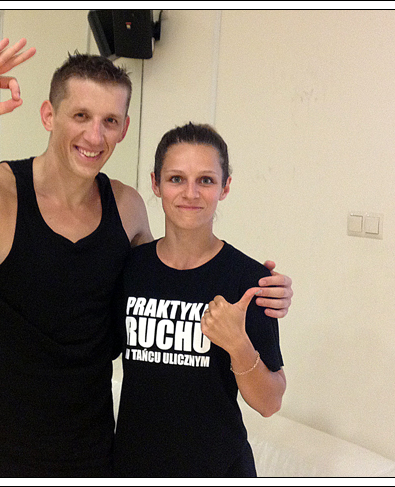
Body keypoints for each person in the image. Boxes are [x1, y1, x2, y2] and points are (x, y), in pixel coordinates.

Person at [0, 39, 293, 476]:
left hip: (90, 462)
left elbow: (166, 283)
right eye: (81, 115)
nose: (95, 135)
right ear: (49, 115)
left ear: (124, 128)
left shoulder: (127, 208)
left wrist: (261, 288)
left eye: (109, 120)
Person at [112, 123, 287, 477]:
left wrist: (238, 345)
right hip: (134, 467)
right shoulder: (129, 269)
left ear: (225, 187)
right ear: (155, 183)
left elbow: (270, 402)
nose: (190, 193)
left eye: (205, 180)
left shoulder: (248, 280)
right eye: (176, 178)